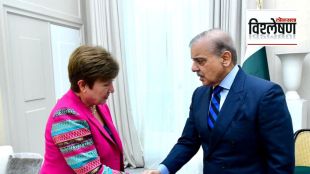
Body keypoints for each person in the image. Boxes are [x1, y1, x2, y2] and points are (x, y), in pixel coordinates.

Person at [143, 29, 294, 174]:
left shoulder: (265, 94)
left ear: (225, 58)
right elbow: (188, 142)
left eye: (200, 61)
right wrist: (162, 170)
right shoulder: (199, 95)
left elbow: (280, 161)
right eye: (193, 61)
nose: (193, 68)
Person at [40, 45, 128, 174]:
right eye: (106, 84)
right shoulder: (65, 116)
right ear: (83, 85)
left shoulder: (99, 105)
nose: (112, 89)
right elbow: (91, 171)